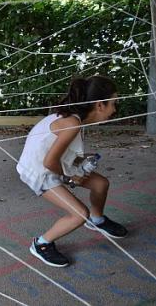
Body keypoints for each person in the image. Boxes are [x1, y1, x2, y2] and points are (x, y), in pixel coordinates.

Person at [17, 75, 127, 267]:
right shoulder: (73, 123)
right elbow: (49, 161)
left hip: (55, 164)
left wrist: (80, 163)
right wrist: (69, 178)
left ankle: (97, 219)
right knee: (79, 214)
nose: (115, 110)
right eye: (113, 104)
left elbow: (59, 152)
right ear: (100, 105)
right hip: (39, 172)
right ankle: (41, 244)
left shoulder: (76, 118)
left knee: (101, 184)